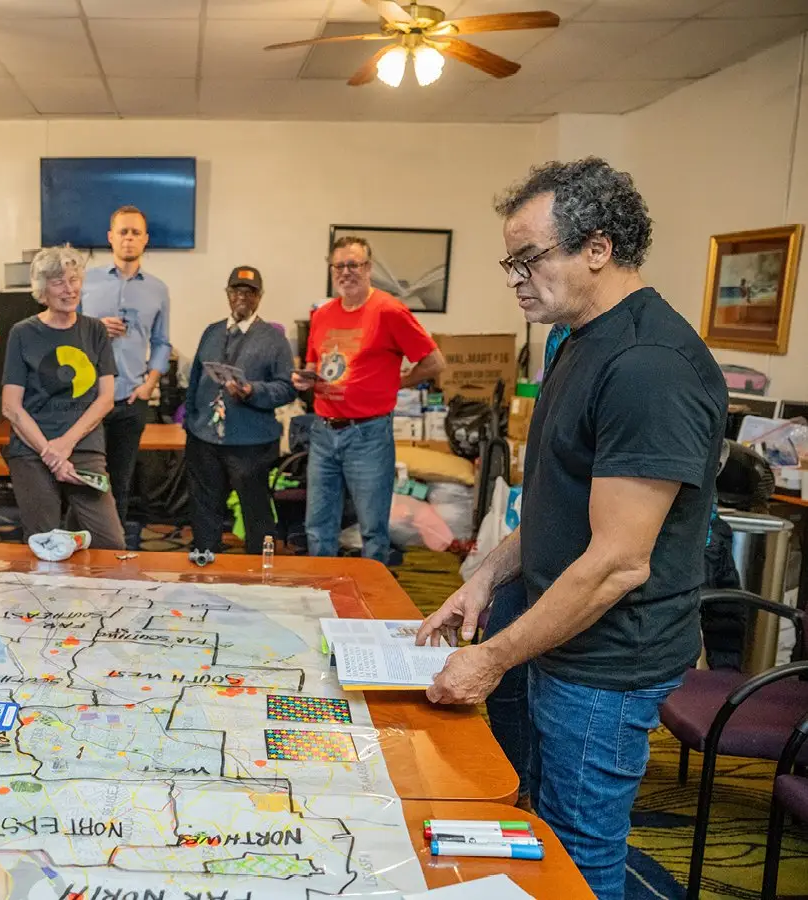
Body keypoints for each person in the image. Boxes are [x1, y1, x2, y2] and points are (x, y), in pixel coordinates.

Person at [416, 157, 727, 900]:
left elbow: (620, 561)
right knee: (533, 827)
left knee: (578, 857)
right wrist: (486, 578)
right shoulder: (571, 339)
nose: (516, 278)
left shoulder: (649, 364)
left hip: (605, 661)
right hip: (545, 627)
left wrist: (490, 659)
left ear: (597, 248)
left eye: (530, 258)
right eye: (510, 262)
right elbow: (558, 501)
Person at [293, 237, 445, 563]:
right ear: (332, 270)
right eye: (340, 266)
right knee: (317, 526)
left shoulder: (389, 311)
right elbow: (312, 364)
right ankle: (321, 594)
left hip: (368, 436)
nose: (346, 272)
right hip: (322, 432)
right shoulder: (322, 315)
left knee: (372, 529)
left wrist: (400, 382)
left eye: (354, 264)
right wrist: (302, 377)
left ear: (368, 268)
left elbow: (435, 362)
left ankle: (371, 605)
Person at [2, 245, 123, 550]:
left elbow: (106, 398)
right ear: (43, 291)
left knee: (111, 543)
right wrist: (50, 453)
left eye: (74, 279)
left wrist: (66, 445)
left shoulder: (95, 330)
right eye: (58, 283)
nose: (69, 290)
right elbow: (11, 407)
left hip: (83, 447)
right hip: (33, 450)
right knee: (44, 542)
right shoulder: (22, 333)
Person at [183, 266, 296, 555]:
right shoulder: (211, 332)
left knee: (255, 513)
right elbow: (195, 379)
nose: (242, 297)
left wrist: (253, 391)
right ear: (228, 294)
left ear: (259, 297)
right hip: (204, 439)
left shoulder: (273, 339)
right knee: (204, 510)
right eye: (236, 291)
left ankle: (258, 578)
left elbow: (287, 388)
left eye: (250, 292)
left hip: (251, 444)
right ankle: (204, 568)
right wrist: (191, 421)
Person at [78, 206, 172, 534]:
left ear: (145, 240)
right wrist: (95, 328)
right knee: (83, 476)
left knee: (120, 479)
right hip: (88, 399)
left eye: (135, 233)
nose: (128, 239)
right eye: (122, 232)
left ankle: (111, 546)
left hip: (132, 399)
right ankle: (77, 543)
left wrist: (150, 383)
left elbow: (162, 343)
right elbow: (66, 330)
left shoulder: (158, 289)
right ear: (110, 237)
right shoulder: (85, 281)